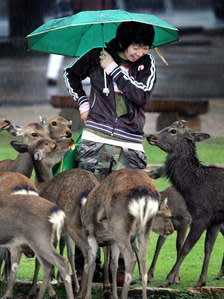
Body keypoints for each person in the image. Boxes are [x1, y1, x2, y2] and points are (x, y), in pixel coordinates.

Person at [63, 21, 156, 285]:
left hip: (130, 146)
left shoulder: (146, 65)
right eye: (137, 45)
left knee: (127, 209)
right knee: (87, 205)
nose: (141, 51)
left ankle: (121, 270)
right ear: (124, 41)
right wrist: (83, 103)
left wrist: (114, 70)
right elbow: (70, 74)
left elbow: (141, 96)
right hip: (95, 141)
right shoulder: (96, 56)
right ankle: (86, 267)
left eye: (146, 46)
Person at [46, 0, 74, 86]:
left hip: (61, 20)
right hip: (69, 19)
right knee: (80, 46)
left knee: (57, 49)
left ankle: (52, 74)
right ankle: (84, 76)